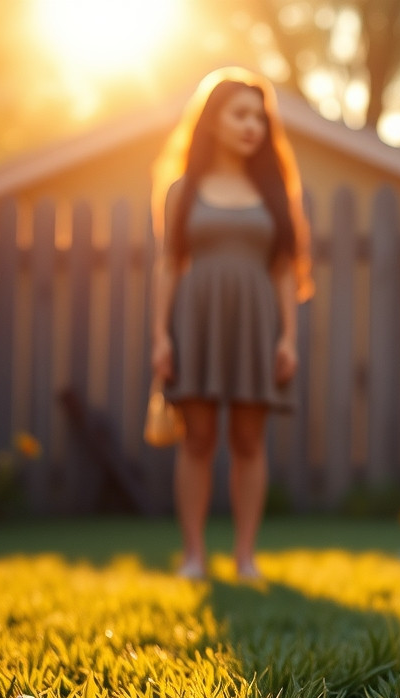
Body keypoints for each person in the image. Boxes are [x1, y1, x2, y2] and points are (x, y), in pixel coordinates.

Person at [150, 67, 313, 581]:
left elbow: (285, 271)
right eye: (239, 115)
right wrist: (160, 336)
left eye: (259, 118)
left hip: (256, 326)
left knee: (248, 442)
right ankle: (194, 556)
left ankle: (245, 558)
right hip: (194, 324)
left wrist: (288, 335)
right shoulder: (183, 190)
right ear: (212, 121)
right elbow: (169, 265)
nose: (251, 126)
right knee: (196, 440)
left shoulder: (274, 193)